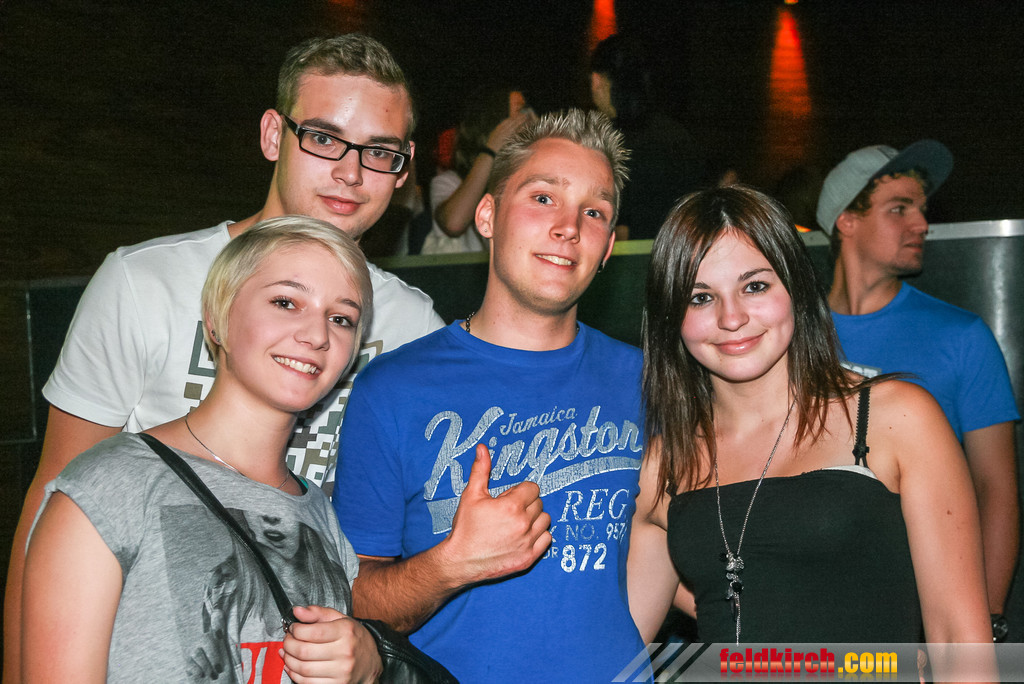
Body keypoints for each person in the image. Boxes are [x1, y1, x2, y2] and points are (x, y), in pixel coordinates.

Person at [5, 33, 444, 678]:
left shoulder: (413, 326)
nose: (351, 173)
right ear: (273, 135)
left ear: (403, 170)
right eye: (324, 138)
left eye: (379, 152)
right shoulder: (144, 282)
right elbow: (57, 497)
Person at [333, 110, 649, 682]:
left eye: (594, 212)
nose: (569, 227)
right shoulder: (392, 389)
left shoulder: (646, 381)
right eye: (543, 198)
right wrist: (451, 564)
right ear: (487, 216)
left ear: (607, 247)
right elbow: (353, 601)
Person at [628, 187, 992, 672]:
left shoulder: (895, 418)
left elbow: (958, 641)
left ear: (795, 288)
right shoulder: (664, 463)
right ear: (671, 318)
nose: (732, 318)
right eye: (701, 297)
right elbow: (610, 647)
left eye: (754, 286)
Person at [22, 217, 382, 683]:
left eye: (341, 318)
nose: (317, 335)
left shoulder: (319, 515)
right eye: (285, 302)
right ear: (217, 319)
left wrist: (368, 663)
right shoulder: (110, 485)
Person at [818, 141, 1020, 638]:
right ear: (846, 220)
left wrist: (986, 624)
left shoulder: (961, 336)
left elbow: (995, 490)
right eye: (899, 209)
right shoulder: (785, 335)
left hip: (927, 615)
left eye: (921, 209)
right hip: (815, 607)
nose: (922, 224)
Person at [590, 33, 705, 241]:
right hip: (683, 252)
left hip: (631, 258)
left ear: (597, 81)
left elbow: (620, 229)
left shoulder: (608, 146)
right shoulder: (678, 137)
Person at [421, 86, 535, 254]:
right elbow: (454, 224)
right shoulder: (448, 182)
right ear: (497, 122)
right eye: (521, 110)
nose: (528, 117)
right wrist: (492, 148)